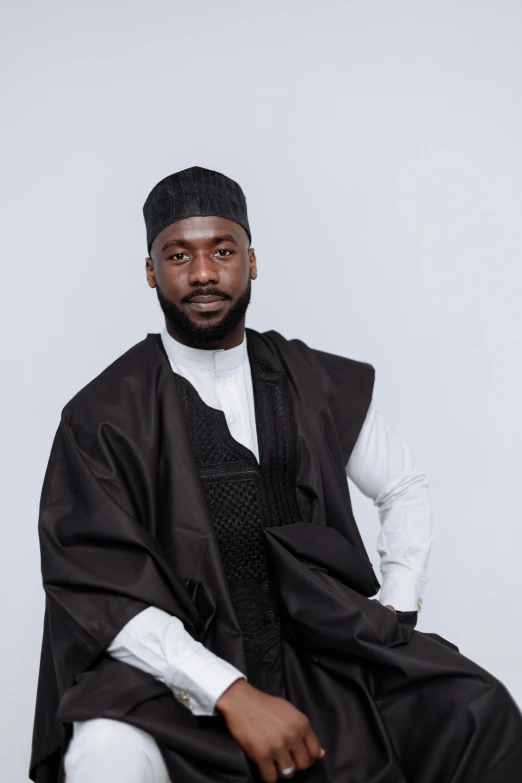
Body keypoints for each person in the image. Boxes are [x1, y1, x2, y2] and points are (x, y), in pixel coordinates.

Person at [30, 166, 522, 783]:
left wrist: (396, 604)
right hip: (170, 673)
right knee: (104, 753)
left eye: (223, 251)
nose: (204, 273)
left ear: (251, 262)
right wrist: (231, 693)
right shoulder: (102, 415)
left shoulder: (308, 379)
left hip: (316, 649)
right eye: (179, 254)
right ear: (152, 271)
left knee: (477, 708)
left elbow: (402, 486)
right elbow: (99, 591)